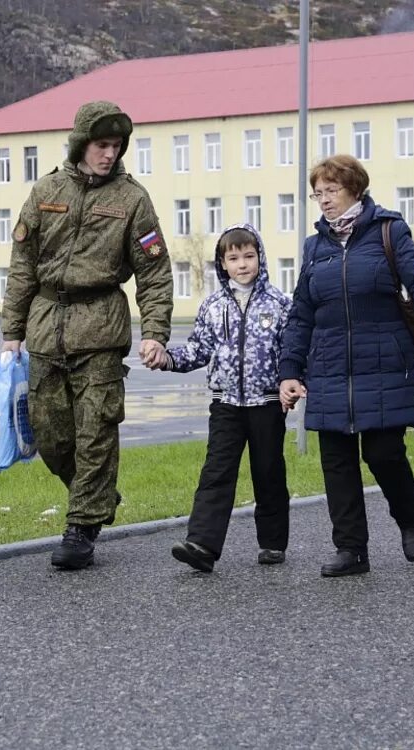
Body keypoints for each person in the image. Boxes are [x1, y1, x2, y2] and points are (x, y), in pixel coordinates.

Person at [0, 100, 174, 570]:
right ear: (81, 144)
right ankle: (98, 494)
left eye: (116, 147)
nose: (109, 155)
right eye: (101, 145)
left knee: (95, 432)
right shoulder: (45, 191)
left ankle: (80, 529)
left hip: (100, 329)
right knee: (52, 437)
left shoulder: (132, 200)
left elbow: (154, 273)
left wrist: (154, 332)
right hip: (45, 328)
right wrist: (11, 331)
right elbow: (22, 268)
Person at [279, 154, 414, 577]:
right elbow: (301, 314)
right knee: (336, 461)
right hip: (330, 367)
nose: (323, 200)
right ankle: (351, 549)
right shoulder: (314, 247)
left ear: (355, 188)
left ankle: (409, 516)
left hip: (384, 363)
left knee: (384, 452)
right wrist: (289, 370)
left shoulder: (389, 231)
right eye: (317, 194)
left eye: (331, 191)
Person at [148, 224, 292, 573]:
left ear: (260, 258)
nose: (242, 264)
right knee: (216, 471)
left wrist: (295, 380)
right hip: (225, 404)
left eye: (248, 256)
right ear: (222, 264)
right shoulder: (212, 306)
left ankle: (272, 543)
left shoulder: (280, 303)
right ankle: (202, 543)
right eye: (233, 258)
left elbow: (292, 351)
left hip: (267, 403)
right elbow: (198, 350)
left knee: (268, 471)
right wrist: (166, 357)